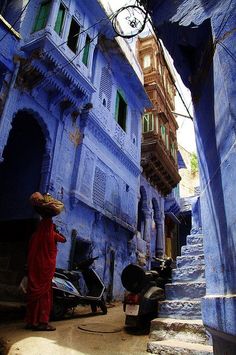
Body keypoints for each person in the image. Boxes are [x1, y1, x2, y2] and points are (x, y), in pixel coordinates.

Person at [25, 217, 66, 331]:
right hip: (45, 272)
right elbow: (64, 239)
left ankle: (31, 322)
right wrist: (56, 231)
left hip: (34, 271)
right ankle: (43, 323)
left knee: (33, 296)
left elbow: (30, 251)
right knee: (45, 296)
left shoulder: (34, 236)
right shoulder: (52, 235)